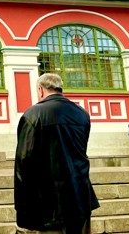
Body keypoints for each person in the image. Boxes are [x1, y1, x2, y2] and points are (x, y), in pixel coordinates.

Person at [14, 73, 99, 234]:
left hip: (49, 202)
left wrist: (23, 207)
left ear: (40, 90)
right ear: (60, 89)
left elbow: (24, 162)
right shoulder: (82, 113)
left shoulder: (33, 114)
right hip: (80, 195)